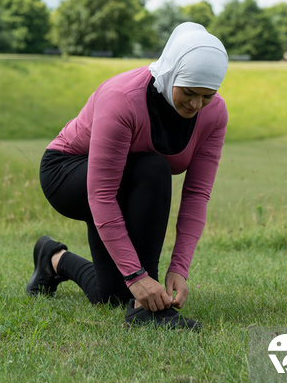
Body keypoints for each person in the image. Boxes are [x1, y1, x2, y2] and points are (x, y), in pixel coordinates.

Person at [26, 22, 228, 329]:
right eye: (188, 92)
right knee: (154, 167)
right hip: (69, 173)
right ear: (172, 71)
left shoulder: (214, 116)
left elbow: (197, 194)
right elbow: (101, 193)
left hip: (124, 184)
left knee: (112, 296)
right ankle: (147, 309)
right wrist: (138, 276)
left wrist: (179, 268)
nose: (196, 104)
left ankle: (52, 258)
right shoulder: (122, 98)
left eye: (207, 95)